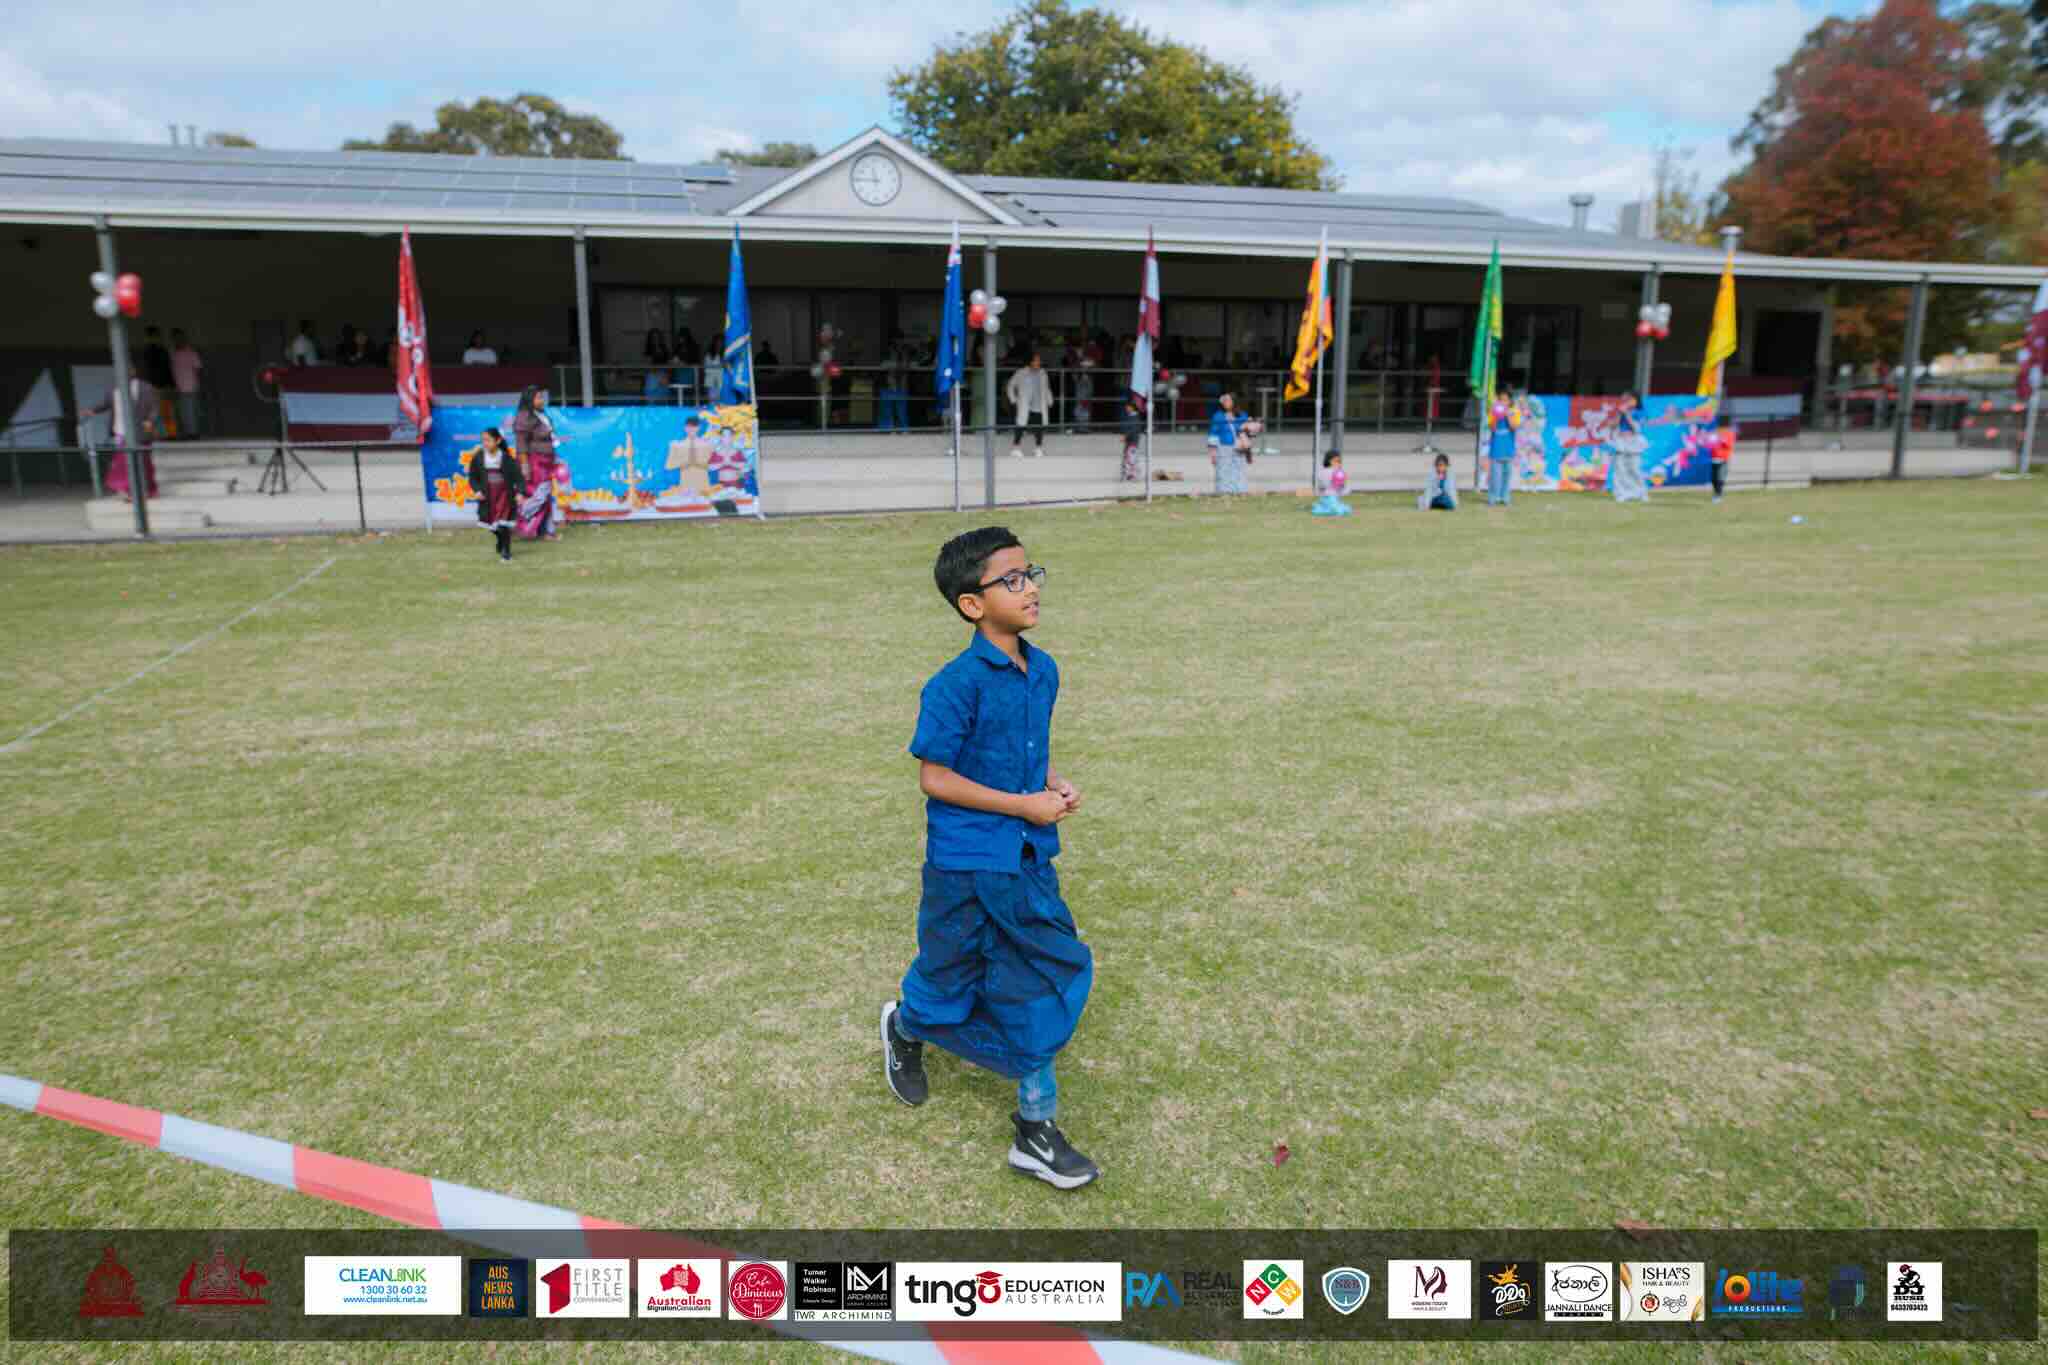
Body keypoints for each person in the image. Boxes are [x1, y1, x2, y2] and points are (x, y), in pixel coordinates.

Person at [883, 526, 1099, 1190]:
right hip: (964, 864)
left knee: (1037, 974)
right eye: (1010, 580)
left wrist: (1054, 783)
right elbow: (935, 777)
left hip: (1026, 859)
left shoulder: (1045, 670)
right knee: (948, 977)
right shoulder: (953, 686)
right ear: (972, 604)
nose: (1029, 587)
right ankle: (905, 1026)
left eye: (1030, 573)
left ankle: (1035, 1129)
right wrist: (1022, 805)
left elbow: (1026, 755)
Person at [88, 360, 159, 501]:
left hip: (140, 431)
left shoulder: (145, 387)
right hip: (121, 432)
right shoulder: (115, 389)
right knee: (124, 462)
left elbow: (154, 407)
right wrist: (92, 410)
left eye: (127, 370)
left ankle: (144, 490)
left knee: (143, 463)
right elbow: (106, 404)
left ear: (133, 371)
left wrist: (150, 421)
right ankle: (130, 491)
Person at [512, 386, 567, 540]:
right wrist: (525, 466)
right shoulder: (523, 417)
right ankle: (518, 517)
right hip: (534, 462)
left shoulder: (541, 415)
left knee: (546, 496)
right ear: (529, 399)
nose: (542, 400)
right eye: (538, 398)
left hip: (547, 460)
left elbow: (550, 438)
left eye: (541, 397)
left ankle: (547, 532)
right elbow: (521, 445)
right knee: (540, 496)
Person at [465, 427, 524, 561]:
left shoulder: (506, 458)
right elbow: (473, 477)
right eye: (483, 440)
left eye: (488, 440)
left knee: (504, 524)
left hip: (504, 495)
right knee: (492, 525)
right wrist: (477, 490)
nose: (485, 443)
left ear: (498, 441)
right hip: (488, 496)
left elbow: (518, 477)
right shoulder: (478, 457)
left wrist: (520, 492)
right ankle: (500, 540)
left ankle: (506, 554)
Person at [1006, 352, 1055, 457]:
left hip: (1038, 404)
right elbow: (1010, 385)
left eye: (1039, 360)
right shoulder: (1021, 373)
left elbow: (1046, 388)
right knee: (1021, 426)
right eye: (1036, 360)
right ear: (1030, 362)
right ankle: (1015, 448)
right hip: (1025, 404)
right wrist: (1013, 400)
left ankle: (1038, 448)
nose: (1039, 362)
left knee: (1039, 427)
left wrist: (1050, 399)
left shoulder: (1043, 373)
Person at [1208, 391, 1251, 494]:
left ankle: (1239, 491)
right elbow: (1213, 434)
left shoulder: (1242, 415)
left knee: (1239, 472)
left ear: (1234, 401)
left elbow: (1248, 433)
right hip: (1223, 448)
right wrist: (1213, 452)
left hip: (1239, 448)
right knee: (1223, 472)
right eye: (1224, 400)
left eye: (1228, 400)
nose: (1225, 402)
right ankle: (1223, 492)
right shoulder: (1218, 416)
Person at [1484, 393, 1521, 505]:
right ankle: (1493, 498)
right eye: (1500, 400)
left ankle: (1505, 498)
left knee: (1507, 475)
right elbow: (1492, 428)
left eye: (1505, 400)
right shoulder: (1493, 412)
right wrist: (1496, 416)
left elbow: (1514, 427)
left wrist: (1507, 415)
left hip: (1508, 449)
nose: (1503, 402)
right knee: (1495, 476)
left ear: (1509, 401)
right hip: (1496, 449)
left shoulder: (1515, 412)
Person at [141, 326, 178, 438]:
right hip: (160, 386)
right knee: (163, 411)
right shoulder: (159, 351)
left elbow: (165, 369)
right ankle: (168, 434)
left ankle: (158, 435)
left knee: (156, 411)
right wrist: (172, 385)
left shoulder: (150, 351)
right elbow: (167, 369)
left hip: (157, 386)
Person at [170, 329, 204, 440]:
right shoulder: (173, 353)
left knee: (192, 411)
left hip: (191, 386)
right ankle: (188, 433)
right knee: (183, 412)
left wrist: (197, 384)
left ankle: (193, 434)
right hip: (179, 388)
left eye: (180, 338)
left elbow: (198, 368)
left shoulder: (191, 352)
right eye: (175, 339)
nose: (178, 341)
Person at [880, 330, 911, 432]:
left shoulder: (906, 350)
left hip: (901, 383)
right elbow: (883, 365)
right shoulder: (887, 350)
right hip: (889, 383)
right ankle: (889, 429)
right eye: (898, 339)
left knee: (901, 409)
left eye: (901, 339)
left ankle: (903, 428)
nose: (900, 341)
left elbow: (908, 364)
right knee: (888, 408)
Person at [1311, 450, 1351, 516]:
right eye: (1335, 461)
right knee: (1338, 511)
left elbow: (1341, 485)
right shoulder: (1327, 472)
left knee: (1346, 509)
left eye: (1339, 461)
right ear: (1329, 461)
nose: (1338, 464)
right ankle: (1319, 509)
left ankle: (1320, 507)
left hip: (1333, 497)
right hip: (1329, 497)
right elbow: (1322, 484)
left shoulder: (1337, 472)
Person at [1709, 413, 1735, 503]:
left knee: (1720, 477)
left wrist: (1722, 439)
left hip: (1723, 458)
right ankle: (1716, 493)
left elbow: (1729, 445)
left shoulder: (1729, 433)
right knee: (1713, 478)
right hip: (1714, 458)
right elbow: (1710, 444)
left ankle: (1718, 495)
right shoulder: (1715, 432)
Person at [1119, 396, 1143, 482]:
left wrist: (1125, 436)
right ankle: (1129, 474)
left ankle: (1132, 475)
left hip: (1132, 442)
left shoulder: (1134, 418)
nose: (1126, 408)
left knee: (1131, 459)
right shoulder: (1132, 417)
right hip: (1130, 442)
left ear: (1132, 407)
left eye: (1128, 407)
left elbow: (1132, 429)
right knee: (1129, 458)